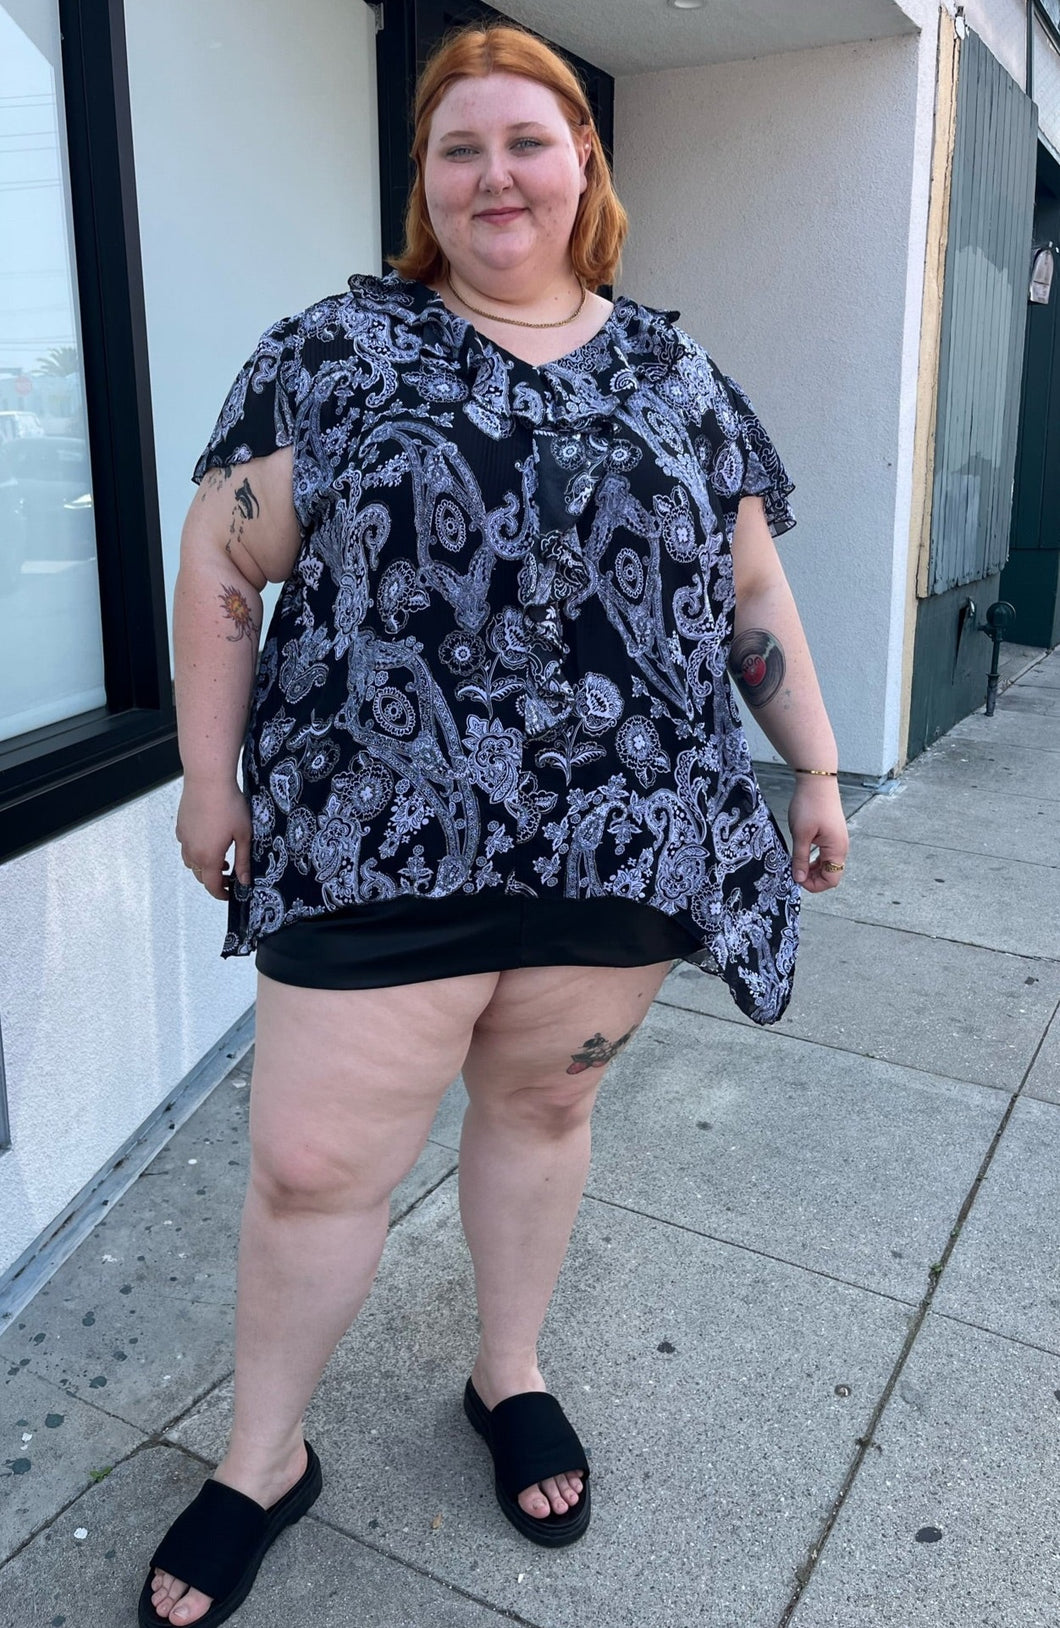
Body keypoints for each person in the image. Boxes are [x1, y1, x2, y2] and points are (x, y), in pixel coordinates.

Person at [139, 20, 848, 1627]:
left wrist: (808, 761)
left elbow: (748, 591)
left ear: (582, 163)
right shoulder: (334, 352)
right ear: (425, 184)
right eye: (458, 148)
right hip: (372, 841)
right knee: (316, 1168)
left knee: (540, 1118)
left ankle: (506, 1375)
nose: (492, 174)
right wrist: (208, 774)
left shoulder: (677, 373)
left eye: (526, 139)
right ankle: (262, 1458)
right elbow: (223, 565)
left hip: (623, 846)